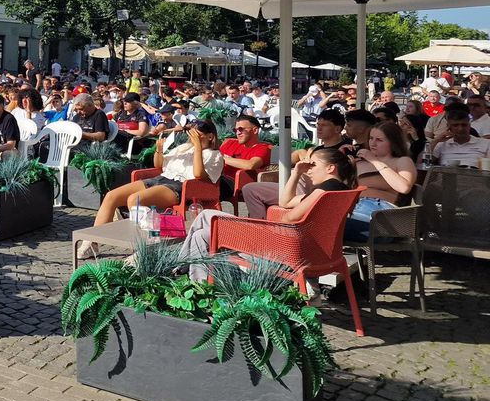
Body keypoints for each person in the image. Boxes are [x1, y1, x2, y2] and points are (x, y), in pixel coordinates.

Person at [179, 148, 357, 282]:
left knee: (203, 234)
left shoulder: (322, 193)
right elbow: (286, 202)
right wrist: (296, 172)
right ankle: (182, 268)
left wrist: (263, 226)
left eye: (313, 165)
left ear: (330, 168)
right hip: (308, 250)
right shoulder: (338, 191)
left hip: (282, 248)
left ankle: (198, 286)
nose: (308, 169)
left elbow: (289, 217)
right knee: (206, 216)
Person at [91, 120, 223, 229]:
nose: (191, 136)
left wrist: (198, 147)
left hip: (181, 186)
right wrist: (159, 150)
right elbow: (158, 165)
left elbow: (198, 174)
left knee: (134, 200)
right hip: (162, 178)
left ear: (210, 136)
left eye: (196, 134)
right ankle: (92, 242)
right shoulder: (184, 147)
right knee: (111, 196)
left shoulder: (214, 155)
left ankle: (142, 245)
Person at [344, 121, 417, 241]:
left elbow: (404, 187)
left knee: (330, 227)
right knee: (318, 223)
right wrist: (341, 160)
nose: (373, 143)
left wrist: (375, 161)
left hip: (382, 217)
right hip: (355, 209)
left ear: (393, 142)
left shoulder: (402, 161)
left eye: (379, 140)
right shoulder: (361, 162)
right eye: (371, 138)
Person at [217, 115, 271, 201]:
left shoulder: (262, 148)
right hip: (219, 179)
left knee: (206, 186)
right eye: (235, 130)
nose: (238, 133)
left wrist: (222, 159)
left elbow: (250, 165)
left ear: (255, 130)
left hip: (237, 185)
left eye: (241, 129)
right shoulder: (230, 143)